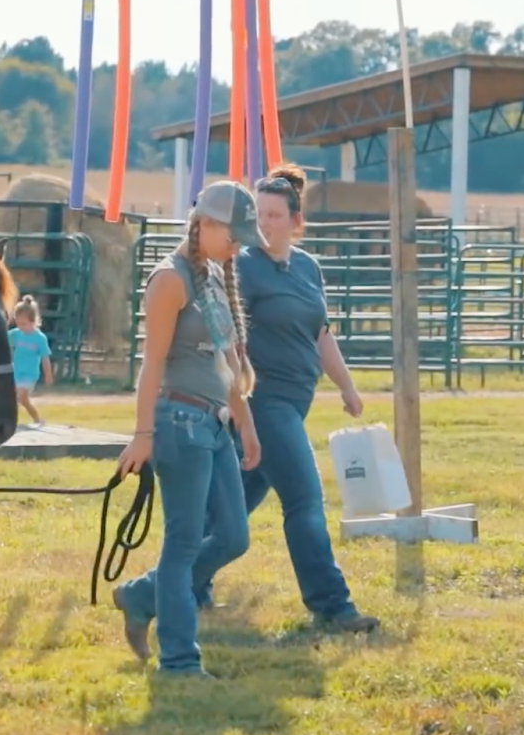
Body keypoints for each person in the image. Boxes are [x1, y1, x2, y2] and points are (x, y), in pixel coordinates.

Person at [194, 164, 379, 634]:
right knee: (305, 500)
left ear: (296, 221)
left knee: (233, 507)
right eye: (261, 214)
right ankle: (332, 605)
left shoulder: (308, 267)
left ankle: (179, 582)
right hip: (264, 401)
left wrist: (347, 386)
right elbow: (226, 332)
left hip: (296, 402)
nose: (267, 223)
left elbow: (321, 334)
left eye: (276, 215)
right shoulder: (243, 266)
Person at [112, 179, 266, 677]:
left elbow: (226, 362)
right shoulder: (169, 281)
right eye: (234, 234)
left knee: (234, 536)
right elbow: (151, 364)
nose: (239, 244)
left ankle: (140, 594)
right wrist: (142, 434)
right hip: (178, 422)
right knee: (181, 544)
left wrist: (245, 425)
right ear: (206, 223)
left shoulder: (216, 278)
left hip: (216, 425)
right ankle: (179, 661)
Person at [8, 294, 55, 428]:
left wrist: (48, 374)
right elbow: (2, 341)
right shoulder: (15, 334)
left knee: (22, 397)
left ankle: (37, 419)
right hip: (16, 371)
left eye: (24, 324)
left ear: (33, 321)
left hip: (29, 374)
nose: (20, 327)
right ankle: (15, 420)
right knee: (14, 399)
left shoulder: (40, 338)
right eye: (18, 324)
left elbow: (45, 358)